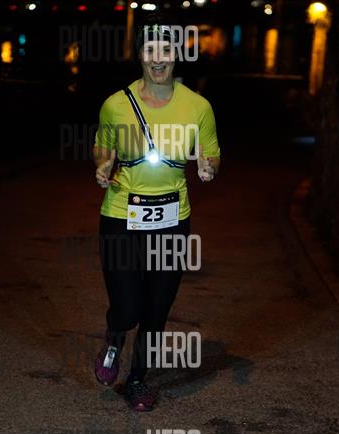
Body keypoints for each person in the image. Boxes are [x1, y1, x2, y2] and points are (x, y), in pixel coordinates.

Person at [92, 14, 220, 411]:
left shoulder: (198, 106)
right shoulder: (115, 104)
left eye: (166, 49)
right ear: (140, 55)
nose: (159, 57)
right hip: (121, 215)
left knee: (157, 307)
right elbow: (103, 147)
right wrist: (102, 164)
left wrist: (208, 166)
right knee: (128, 307)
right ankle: (115, 335)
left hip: (172, 220)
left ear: (176, 54)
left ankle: (136, 380)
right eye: (150, 49)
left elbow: (211, 152)